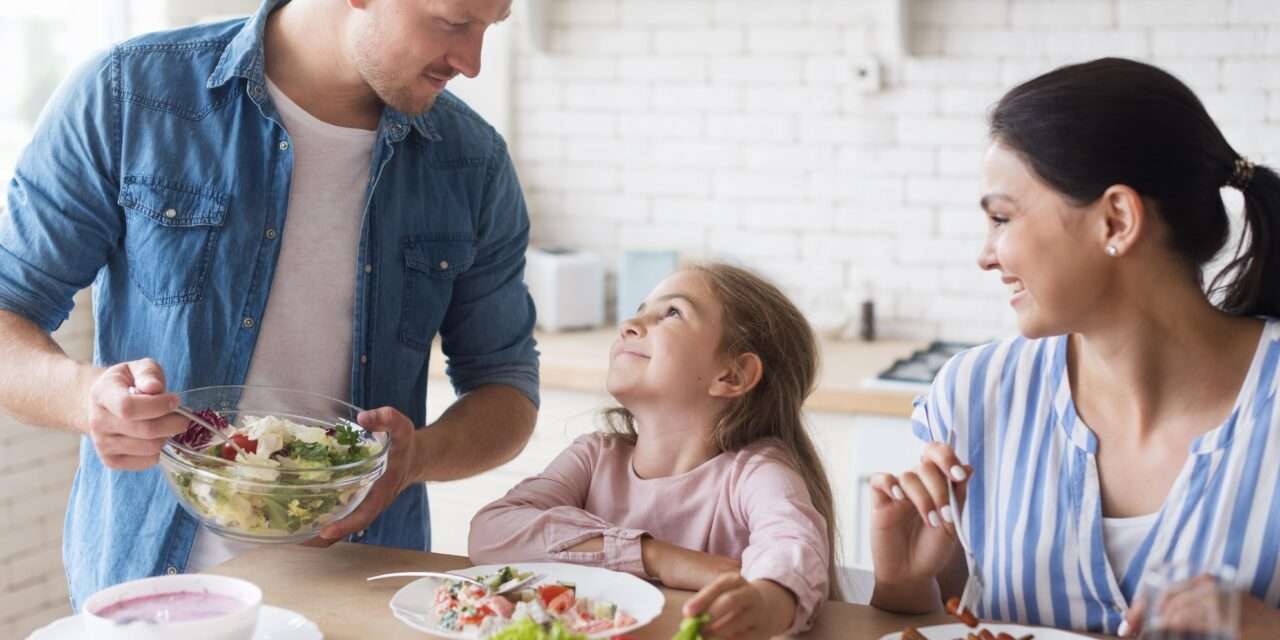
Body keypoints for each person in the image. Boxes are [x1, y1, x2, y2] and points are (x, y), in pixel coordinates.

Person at [0, 0, 539, 609]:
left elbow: (507, 388)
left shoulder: (473, 163)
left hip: (358, 597)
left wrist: (417, 458)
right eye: (453, 21)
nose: (471, 62)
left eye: (490, 27)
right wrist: (87, 398)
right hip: (149, 594)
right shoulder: (131, 96)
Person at [868, 57, 1280, 638]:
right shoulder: (972, 398)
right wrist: (904, 583)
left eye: (1002, 218)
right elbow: (953, 621)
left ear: (1115, 220)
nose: (986, 255)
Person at [469, 263, 837, 639]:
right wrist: (656, 557)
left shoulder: (757, 474)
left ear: (732, 375)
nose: (630, 323)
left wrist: (769, 600)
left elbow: (794, 547)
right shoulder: (593, 458)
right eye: (642, 309)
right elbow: (491, 533)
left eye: (672, 312)